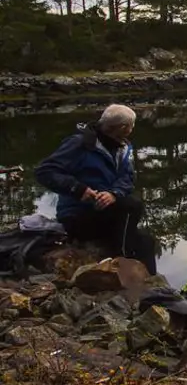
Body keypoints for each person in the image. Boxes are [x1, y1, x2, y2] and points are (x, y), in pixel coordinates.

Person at [35, 104, 157, 275]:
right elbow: (45, 171)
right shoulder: (80, 144)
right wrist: (79, 189)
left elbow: (127, 179)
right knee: (133, 206)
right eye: (131, 126)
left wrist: (113, 194)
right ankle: (121, 261)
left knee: (146, 241)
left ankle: (150, 284)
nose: (132, 130)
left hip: (106, 214)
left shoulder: (122, 148)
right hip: (78, 215)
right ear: (123, 128)